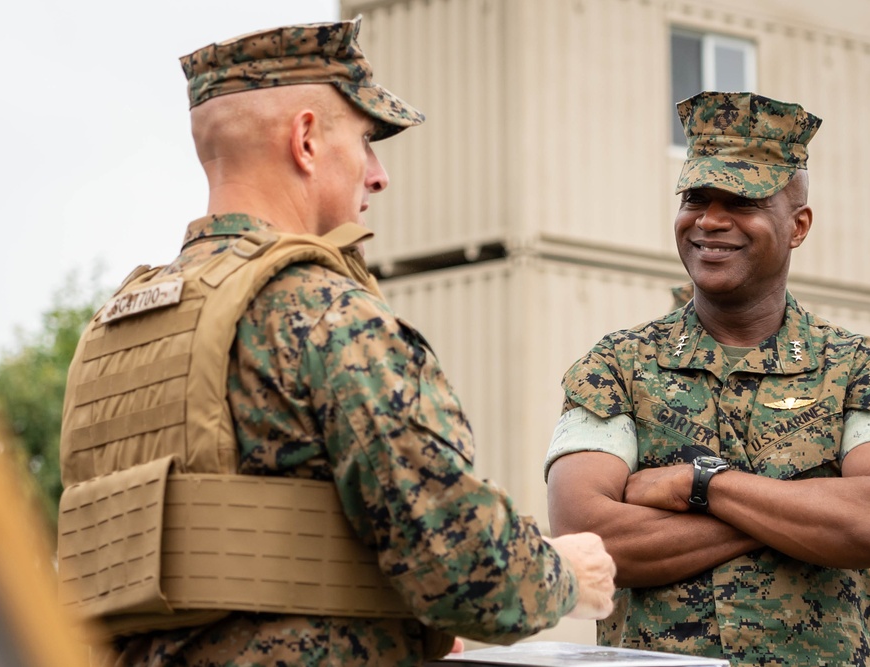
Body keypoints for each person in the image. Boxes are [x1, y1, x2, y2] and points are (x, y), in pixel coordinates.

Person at [55, 17, 615, 667]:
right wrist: (565, 572)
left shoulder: (113, 332)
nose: (378, 175)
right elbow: (462, 565)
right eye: (366, 141)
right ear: (306, 140)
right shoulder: (328, 316)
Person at [545, 91, 870, 667]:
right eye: (695, 198)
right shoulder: (616, 368)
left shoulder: (860, 369)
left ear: (798, 226)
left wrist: (700, 487)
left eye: (742, 201)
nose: (710, 220)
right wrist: (806, 514)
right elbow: (587, 542)